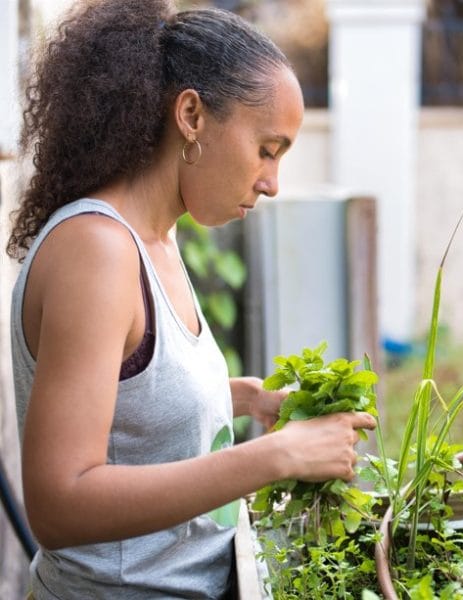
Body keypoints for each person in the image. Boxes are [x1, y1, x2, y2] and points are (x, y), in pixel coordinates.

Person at [5, 1, 376, 598]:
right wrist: (276, 457)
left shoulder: (156, 239)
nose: (272, 183)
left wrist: (245, 399)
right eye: (267, 149)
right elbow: (61, 502)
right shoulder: (97, 251)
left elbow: (129, 404)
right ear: (192, 115)